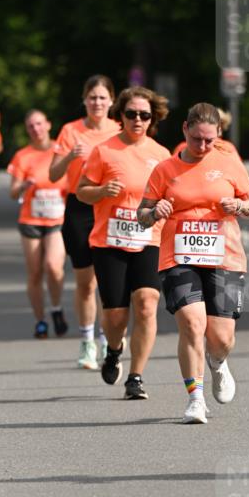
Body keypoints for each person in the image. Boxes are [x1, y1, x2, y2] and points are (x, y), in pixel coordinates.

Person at [138, 103, 249, 424]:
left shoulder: (229, 163)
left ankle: (218, 363)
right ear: (185, 131)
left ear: (218, 135)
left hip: (225, 256)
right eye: (196, 140)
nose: (203, 146)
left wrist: (239, 205)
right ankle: (195, 398)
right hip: (178, 256)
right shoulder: (165, 170)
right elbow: (141, 216)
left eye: (209, 140)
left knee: (221, 338)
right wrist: (155, 212)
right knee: (192, 324)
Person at [76, 86, 170, 399]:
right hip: (109, 241)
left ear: (152, 118)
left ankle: (136, 377)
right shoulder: (104, 151)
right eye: (131, 114)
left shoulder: (160, 154)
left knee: (146, 304)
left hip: (148, 239)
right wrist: (102, 191)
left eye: (145, 115)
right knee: (116, 316)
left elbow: (171, 196)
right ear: (121, 116)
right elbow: (81, 191)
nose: (138, 120)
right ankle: (114, 350)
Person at [49, 75, 120, 370]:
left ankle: (107, 339)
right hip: (79, 207)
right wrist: (69, 156)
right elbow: (53, 175)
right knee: (85, 283)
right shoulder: (70, 131)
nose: (97, 103)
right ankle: (87, 340)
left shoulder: (119, 130)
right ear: (84, 100)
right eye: (92, 98)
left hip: (112, 208)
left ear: (112, 101)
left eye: (103, 98)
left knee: (110, 280)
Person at [9, 110, 68, 338]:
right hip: (31, 220)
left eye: (39, 124)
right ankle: (40, 320)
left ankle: (56, 307)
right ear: (27, 130)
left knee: (53, 267)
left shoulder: (60, 152)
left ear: (48, 125)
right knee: (34, 273)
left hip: (57, 219)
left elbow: (72, 185)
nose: (36, 129)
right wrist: (24, 185)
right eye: (31, 126)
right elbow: (13, 193)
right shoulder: (23, 156)